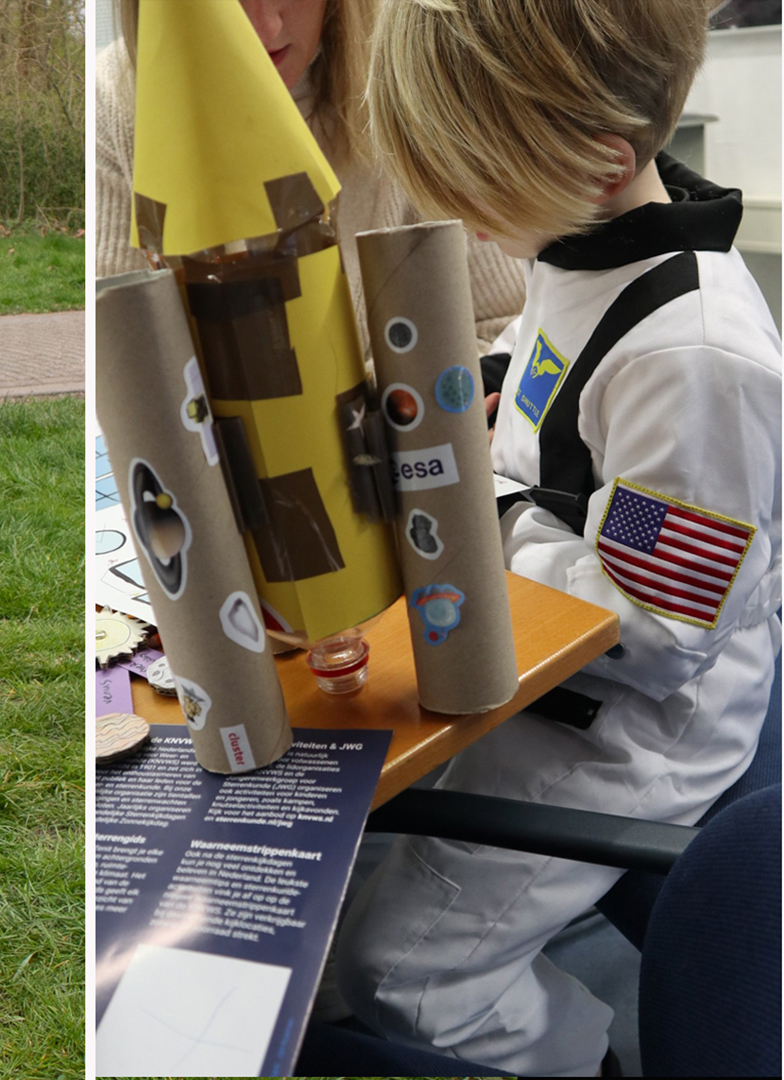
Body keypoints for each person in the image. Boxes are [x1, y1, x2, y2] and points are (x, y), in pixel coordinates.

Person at [332, 1, 781, 1074]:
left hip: (633, 727)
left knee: (400, 973)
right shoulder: (579, 249)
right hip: (546, 658)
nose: (469, 224)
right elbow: (555, 437)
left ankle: (572, 1057)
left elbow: (661, 622)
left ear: (602, 159)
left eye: (476, 192)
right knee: (344, 895)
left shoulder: (695, 359)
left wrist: (475, 517)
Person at [95, 0, 526, 358]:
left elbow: (505, 330)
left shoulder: (417, 76)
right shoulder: (116, 102)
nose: (265, 27)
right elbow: (123, 363)